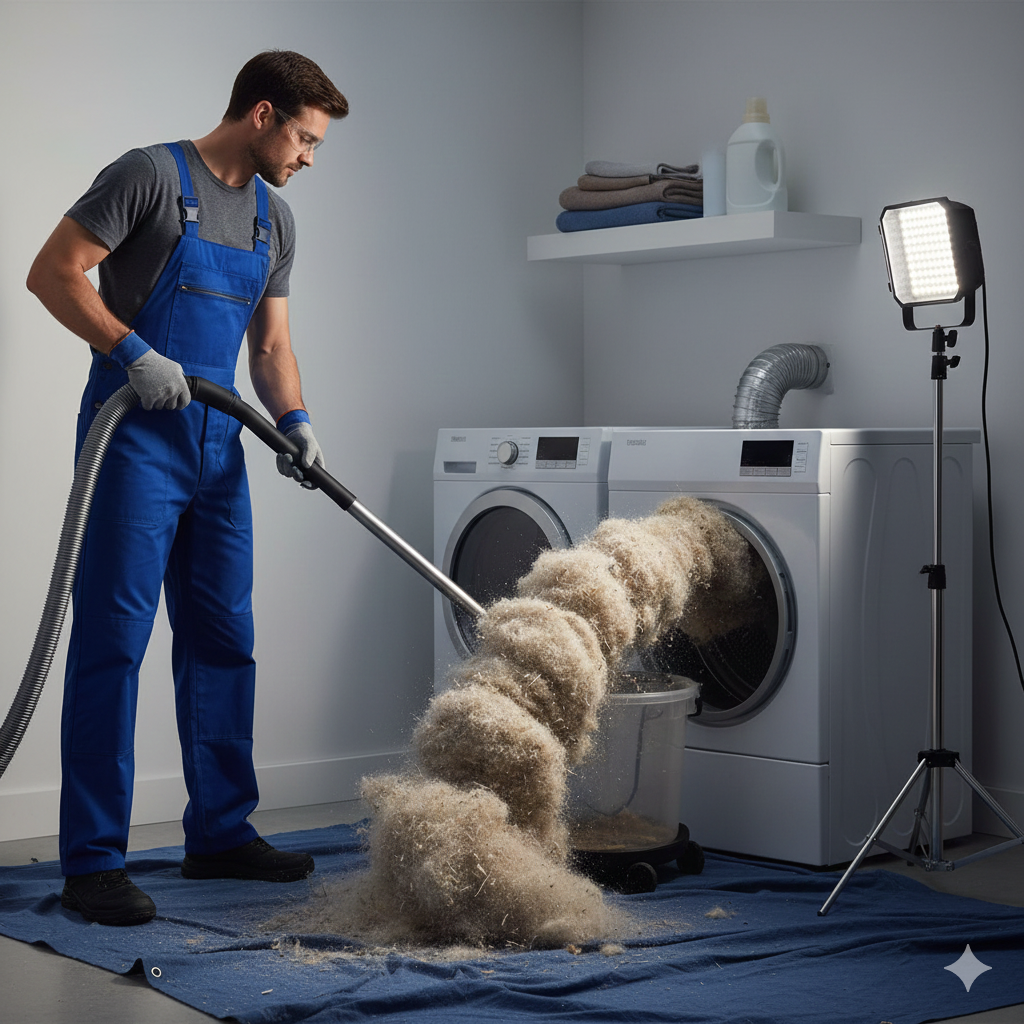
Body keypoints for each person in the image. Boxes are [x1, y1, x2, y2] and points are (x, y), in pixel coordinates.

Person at [26, 51, 349, 927]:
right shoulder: (148, 177)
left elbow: (271, 346)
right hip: (133, 435)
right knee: (112, 643)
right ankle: (93, 862)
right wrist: (130, 350)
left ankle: (219, 833)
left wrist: (298, 421)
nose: (310, 158)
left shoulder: (274, 221)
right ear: (261, 114)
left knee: (222, 637)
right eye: (306, 139)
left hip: (220, 442)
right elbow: (53, 271)